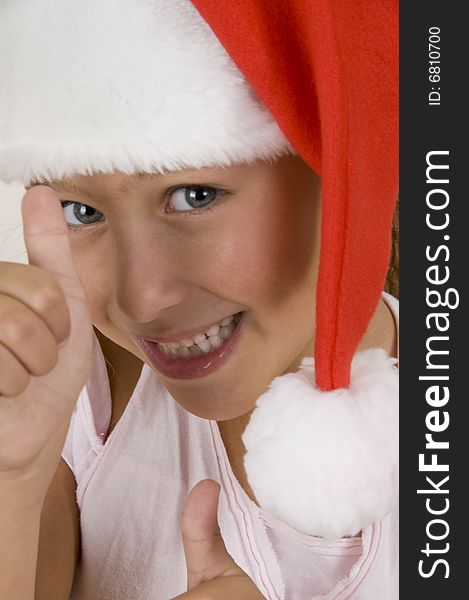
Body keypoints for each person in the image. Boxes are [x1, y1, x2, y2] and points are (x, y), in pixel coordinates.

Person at [0, 1, 399, 598]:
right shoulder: (75, 394)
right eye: (81, 212)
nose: (141, 301)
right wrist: (13, 484)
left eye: (194, 196)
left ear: (346, 171)